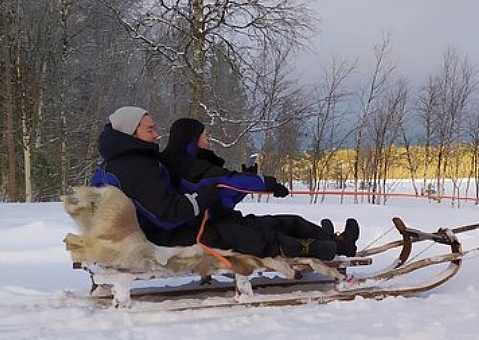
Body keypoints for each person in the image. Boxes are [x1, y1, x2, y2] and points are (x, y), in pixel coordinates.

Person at [93, 107, 357, 261]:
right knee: (249, 236)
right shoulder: (134, 167)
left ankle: (333, 242)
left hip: (177, 227)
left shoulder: (133, 162)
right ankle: (322, 248)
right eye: (149, 129)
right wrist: (205, 197)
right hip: (165, 237)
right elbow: (167, 214)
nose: (156, 134)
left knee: (267, 224)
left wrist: (211, 198)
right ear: (131, 133)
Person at [160, 117, 359, 257]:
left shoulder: (192, 163)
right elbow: (227, 182)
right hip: (211, 229)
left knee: (287, 222)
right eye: (204, 136)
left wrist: (249, 181)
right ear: (191, 140)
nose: (208, 140)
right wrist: (264, 183)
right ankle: (335, 247)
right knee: (273, 237)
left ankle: (331, 238)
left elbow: (223, 196)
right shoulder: (188, 166)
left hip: (223, 220)